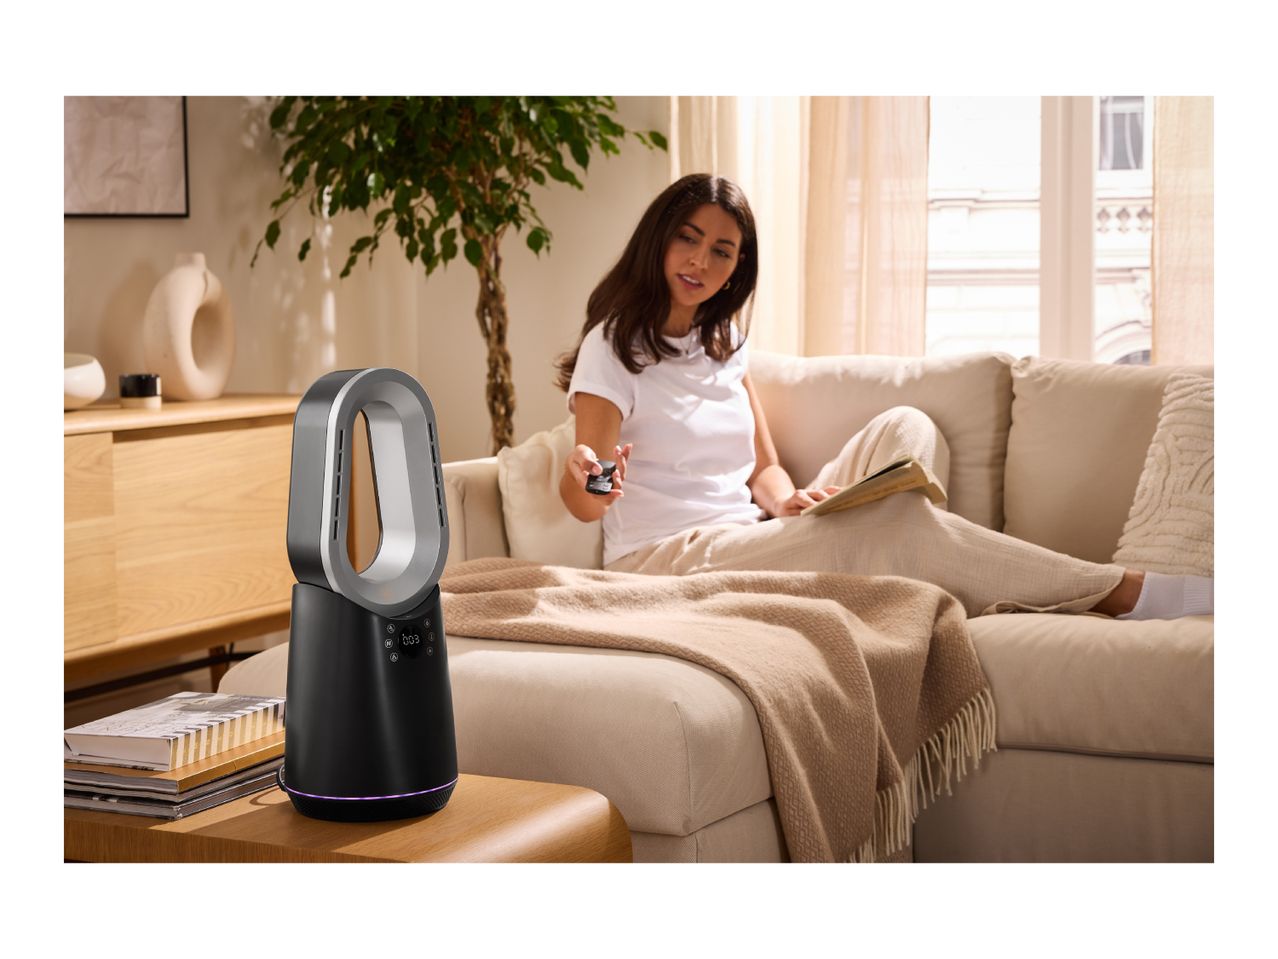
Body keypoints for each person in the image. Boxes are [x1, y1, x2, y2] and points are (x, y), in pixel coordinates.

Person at [553, 173, 1212, 620]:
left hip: (749, 536)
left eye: (722, 251)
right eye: (688, 238)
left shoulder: (721, 338)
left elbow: (763, 466)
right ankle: (1121, 590)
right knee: (896, 520)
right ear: (659, 238)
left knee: (909, 425)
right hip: (667, 562)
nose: (700, 261)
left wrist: (786, 500)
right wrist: (595, 483)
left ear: (738, 269)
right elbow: (589, 493)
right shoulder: (613, 349)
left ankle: (906, 560)